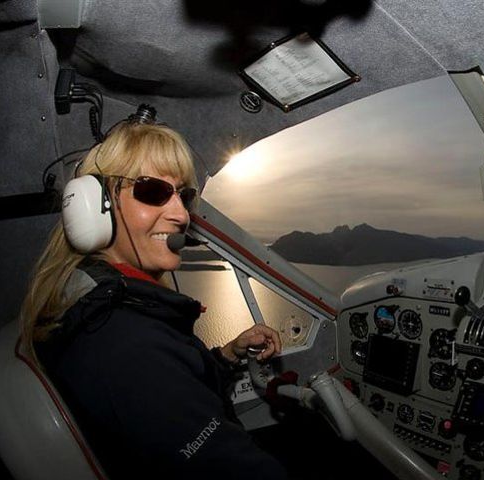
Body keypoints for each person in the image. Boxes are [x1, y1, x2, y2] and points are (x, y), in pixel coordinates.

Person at [20, 113, 289, 480]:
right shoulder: (126, 343)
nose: (180, 214)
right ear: (93, 207)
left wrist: (227, 356)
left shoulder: (98, 302)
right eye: (152, 192)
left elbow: (171, 386)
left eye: (183, 195)